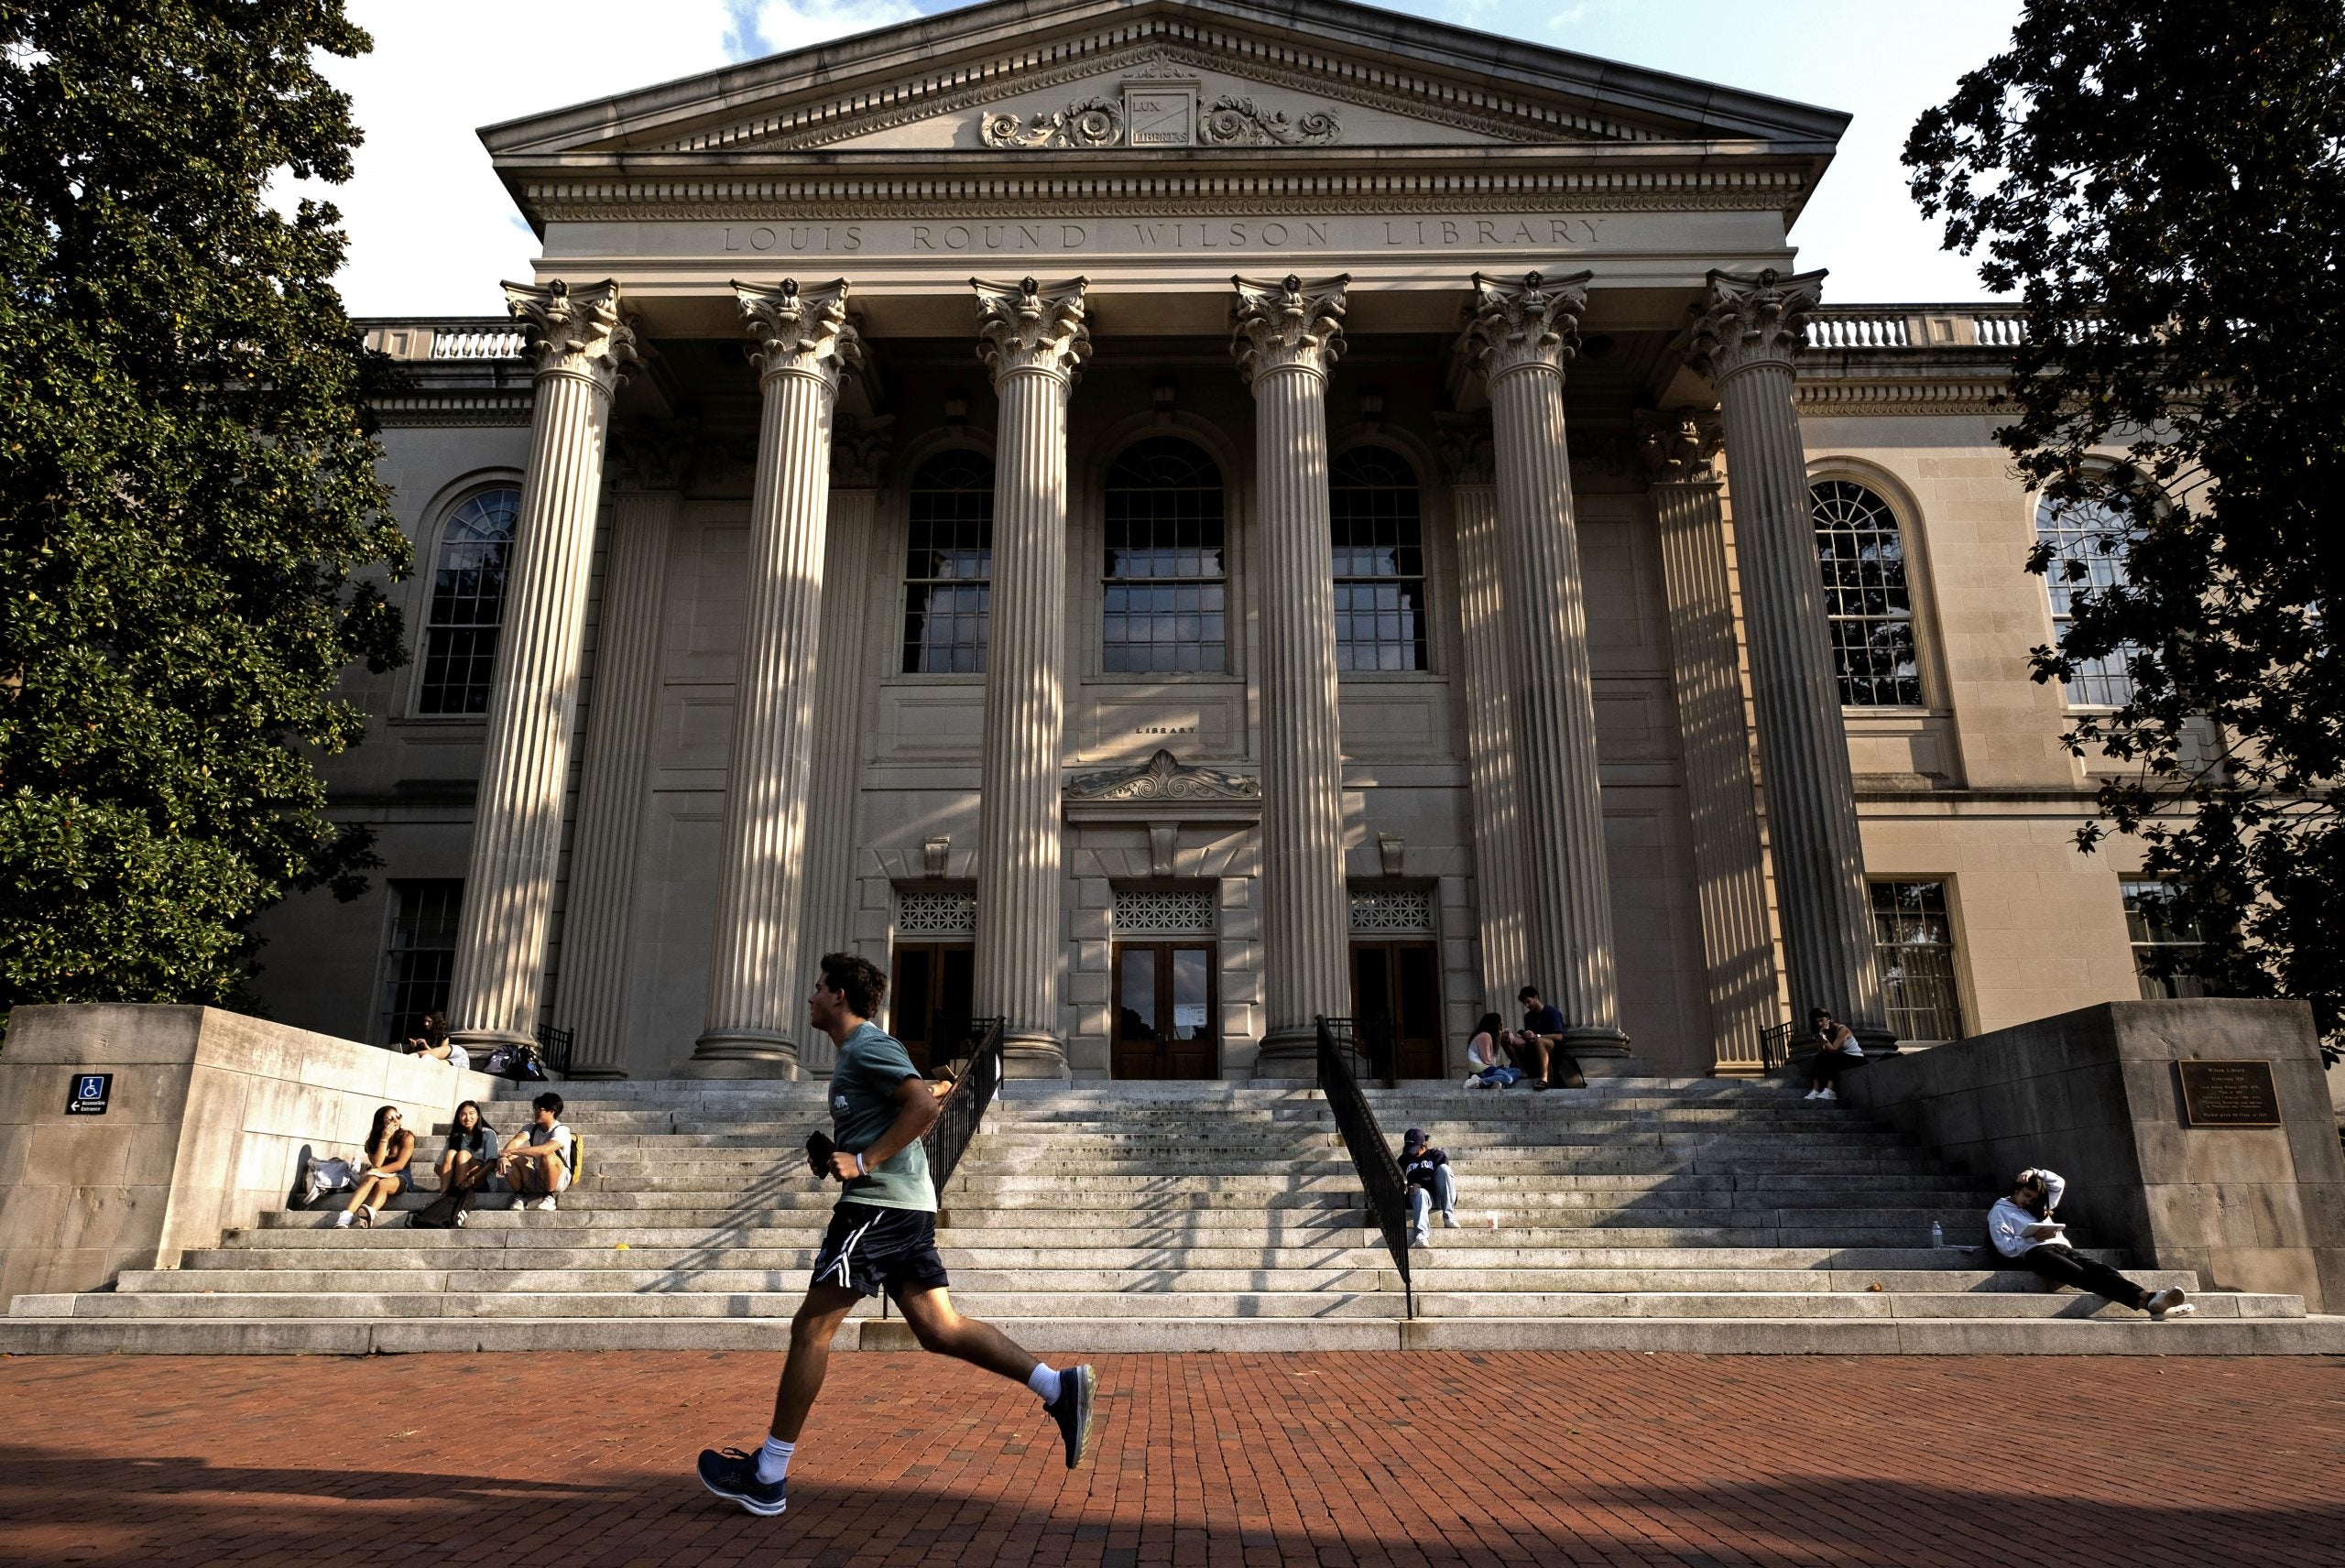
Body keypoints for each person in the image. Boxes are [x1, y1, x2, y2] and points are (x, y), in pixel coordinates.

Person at [696, 951, 1098, 1519]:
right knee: (939, 1328)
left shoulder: (869, 1045)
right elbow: (912, 1103)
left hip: (878, 1209)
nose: (810, 996)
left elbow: (920, 1106)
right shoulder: (856, 1054)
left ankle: (768, 1475)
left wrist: (863, 1160)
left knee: (811, 1327)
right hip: (901, 1207)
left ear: (839, 995)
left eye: (817, 987)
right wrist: (844, 1153)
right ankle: (1059, 1388)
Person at [1989, 1168, 2195, 1320]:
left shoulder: (2042, 1204)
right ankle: (2150, 1299)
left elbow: (2058, 1183)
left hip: (2061, 1246)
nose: (2028, 1202)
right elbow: (2005, 1247)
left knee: (2101, 1269)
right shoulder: (2000, 1211)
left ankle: (2149, 1302)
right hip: (2036, 1253)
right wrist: (2034, 1238)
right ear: (2017, 1189)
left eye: (2033, 1199)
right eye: (2026, 1195)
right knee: (2081, 1276)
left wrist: (2034, 1172)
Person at [334, 1105, 415, 1229]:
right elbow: (378, 1162)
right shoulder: (371, 1142)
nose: (395, 1120)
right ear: (381, 1122)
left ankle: (370, 1213)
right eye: (390, 1118)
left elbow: (399, 1165)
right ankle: (345, 1217)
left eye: (398, 1116)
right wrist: (384, 1139)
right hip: (378, 1173)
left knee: (382, 1184)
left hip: (400, 1175)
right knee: (371, 1179)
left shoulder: (407, 1137)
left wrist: (374, 1171)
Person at [498, 1092, 575, 1211]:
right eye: (535, 1109)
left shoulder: (561, 1130)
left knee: (548, 1155)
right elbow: (515, 1142)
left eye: (540, 1109)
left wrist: (511, 1151)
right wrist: (504, 1157)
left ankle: (549, 1197)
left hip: (559, 1179)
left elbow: (545, 1150)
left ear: (551, 1111)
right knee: (510, 1159)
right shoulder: (531, 1128)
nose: (536, 1112)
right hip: (538, 1176)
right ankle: (520, 1196)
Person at [1401, 1127, 1458, 1246]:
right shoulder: (1404, 1159)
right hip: (1419, 1197)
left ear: (1423, 1144)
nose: (1413, 1152)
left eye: (1416, 1149)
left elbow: (1443, 1178)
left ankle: (1448, 1216)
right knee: (1421, 1192)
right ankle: (1421, 1235)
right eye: (1410, 1149)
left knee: (1444, 1169)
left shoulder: (1437, 1155)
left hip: (1438, 1195)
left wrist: (1421, 1183)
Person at [1506, 985, 1566, 1091]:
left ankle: (1544, 1078)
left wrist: (1537, 1036)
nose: (1527, 1005)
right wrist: (1521, 1035)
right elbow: (1530, 1037)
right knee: (1505, 1038)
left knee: (1539, 1040)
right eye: (1525, 1003)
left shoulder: (1552, 1012)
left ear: (1536, 997)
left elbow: (1559, 1036)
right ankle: (1521, 1070)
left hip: (1552, 1045)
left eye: (1529, 1001)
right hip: (1532, 1045)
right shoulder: (1528, 1016)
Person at [1802, 1006, 1862, 1101]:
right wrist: (1820, 1037)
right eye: (1816, 1022)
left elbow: (1833, 1049)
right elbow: (1822, 1051)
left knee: (1832, 1056)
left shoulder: (1842, 1029)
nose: (1819, 1024)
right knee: (1819, 1057)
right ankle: (1816, 1090)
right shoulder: (1822, 1033)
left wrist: (1821, 1035)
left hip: (1856, 1059)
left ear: (1828, 1019)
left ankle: (1830, 1090)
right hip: (1840, 1057)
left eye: (1821, 1020)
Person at [1463, 1012, 1522, 1089]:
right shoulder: (1485, 1036)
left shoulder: (1489, 1034)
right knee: (1508, 1079)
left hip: (1487, 1069)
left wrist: (1509, 1032)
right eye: (1500, 1024)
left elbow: (1507, 1029)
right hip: (1480, 1071)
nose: (1501, 1026)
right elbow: (1487, 1061)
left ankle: (1497, 1082)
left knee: (1517, 1071)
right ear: (1494, 1025)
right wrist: (1499, 1039)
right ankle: (1478, 1082)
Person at [403, 1010, 470, 1073]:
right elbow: (409, 1053)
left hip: (437, 1061)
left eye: (429, 1021)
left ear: (435, 1022)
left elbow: (442, 1054)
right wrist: (413, 1046)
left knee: (425, 1057)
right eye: (425, 1021)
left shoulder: (443, 1036)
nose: (426, 1024)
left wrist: (426, 1046)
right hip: (421, 1061)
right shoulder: (421, 1033)